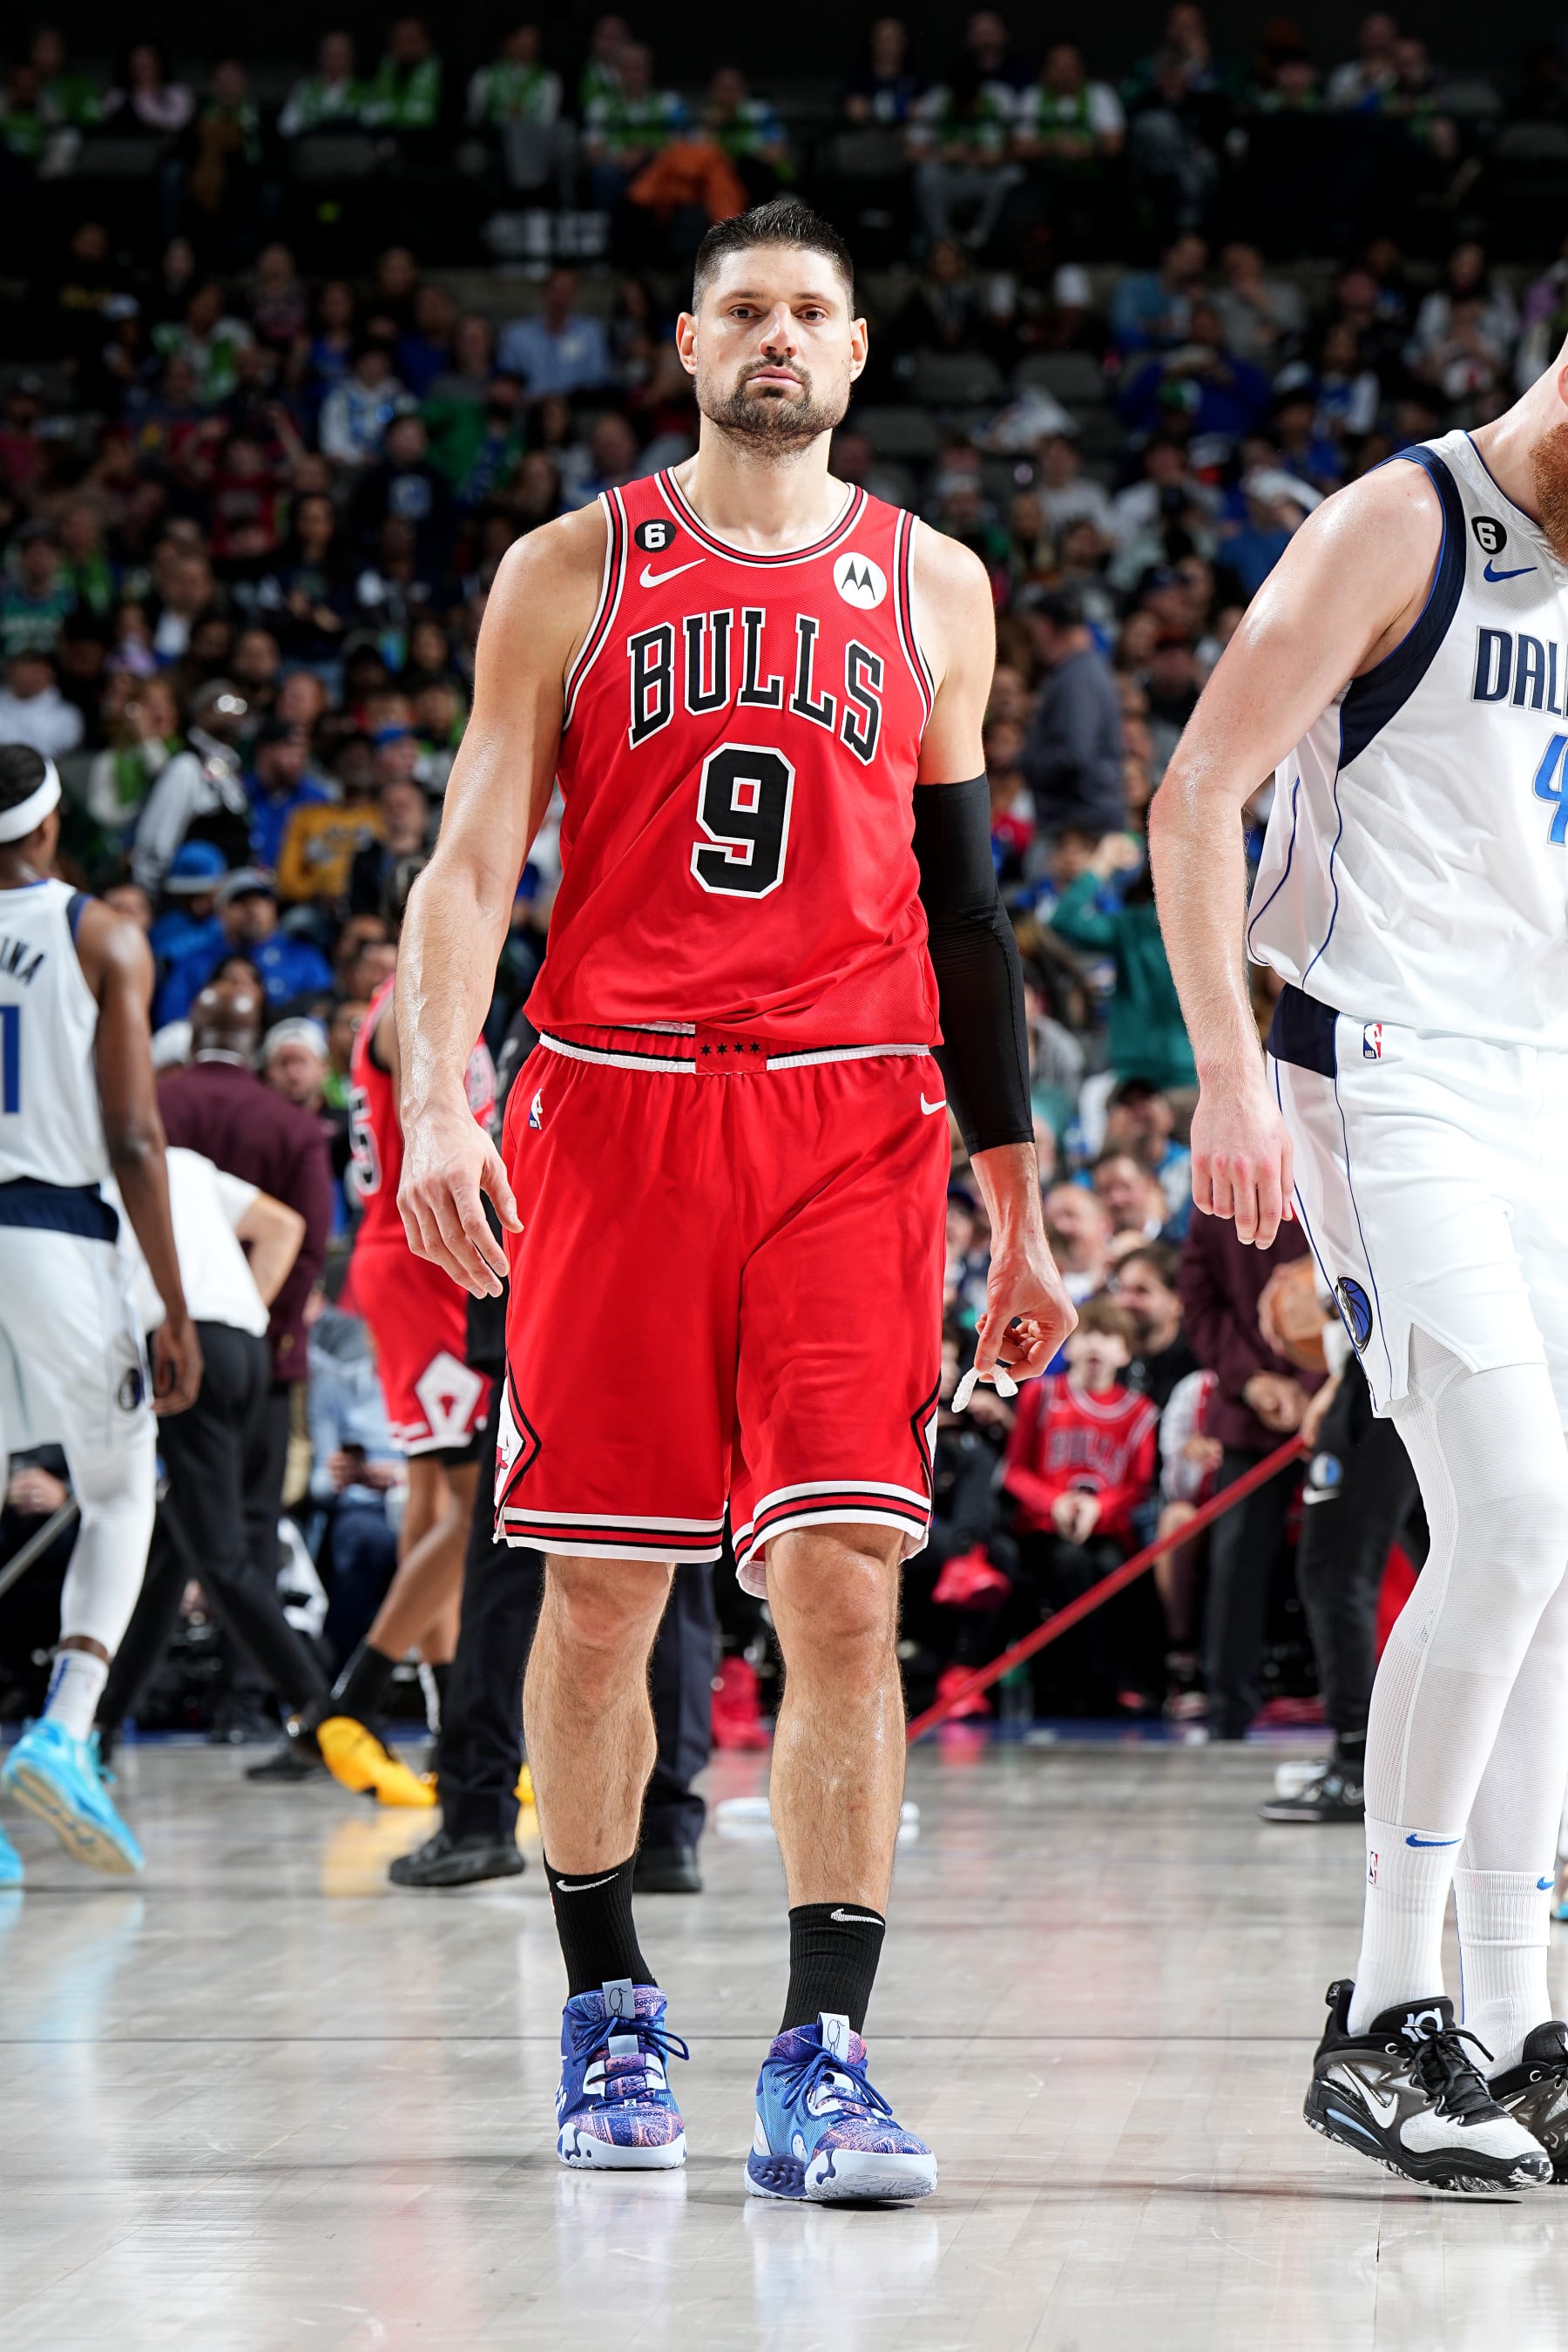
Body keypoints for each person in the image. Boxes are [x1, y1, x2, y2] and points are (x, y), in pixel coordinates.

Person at [392, 197, 1071, 2198]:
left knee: (846, 1581)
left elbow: (965, 913)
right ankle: (608, 2004)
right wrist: (442, 1095)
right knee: (603, 1593)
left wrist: (1020, 1206)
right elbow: (464, 860)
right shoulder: (569, 567)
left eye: (811, 314)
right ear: (686, 344)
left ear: (856, 356)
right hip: (608, 1106)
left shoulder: (935, 585)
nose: (778, 337)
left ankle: (826, 2049)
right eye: (744, 312)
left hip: (856, 1116)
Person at [1149, 339, 1568, 2187]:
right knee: (1518, 1514)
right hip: (1385, 1069)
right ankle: (1389, 2013)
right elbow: (1194, 793)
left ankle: (1511, 2021)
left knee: (1556, 1559)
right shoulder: (1405, 522)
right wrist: (1225, 1068)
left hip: (1548, 1077)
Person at [0, 746, 200, 1879]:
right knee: (123, 1486)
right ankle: (67, 1728)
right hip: (53, 1233)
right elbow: (133, 1136)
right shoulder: (98, 934)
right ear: (52, 824)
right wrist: (170, 1302)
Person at [255, 927, 497, 1807]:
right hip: (425, 1257)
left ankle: (446, 1720)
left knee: (434, 1497)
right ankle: (351, 1703)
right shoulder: (414, 1005)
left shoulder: (417, 1003)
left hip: (408, 1259)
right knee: (472, 1508)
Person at [97, 1148, 327, 1745]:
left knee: (222, 1559)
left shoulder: (94, 1169)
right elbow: (284, 1227)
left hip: (178, 1346)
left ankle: (327, 1717)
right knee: (179, 1549)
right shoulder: (183, 1163)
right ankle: (100, 1725)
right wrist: (240, 1309)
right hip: (245, 1347)